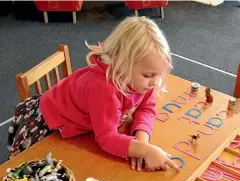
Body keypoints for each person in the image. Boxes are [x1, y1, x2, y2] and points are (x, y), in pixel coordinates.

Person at [7, 16, 179, 172]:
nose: (155, 82)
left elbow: (147, 107)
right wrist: (145, 151)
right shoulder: (103, 88)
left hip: (82, 120)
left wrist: (141, 143)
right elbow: (106, 138)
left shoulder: (141, 82)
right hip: (48, 124)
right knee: (33, 175)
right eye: (148, 75)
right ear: (121, 65)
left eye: (159, 74)